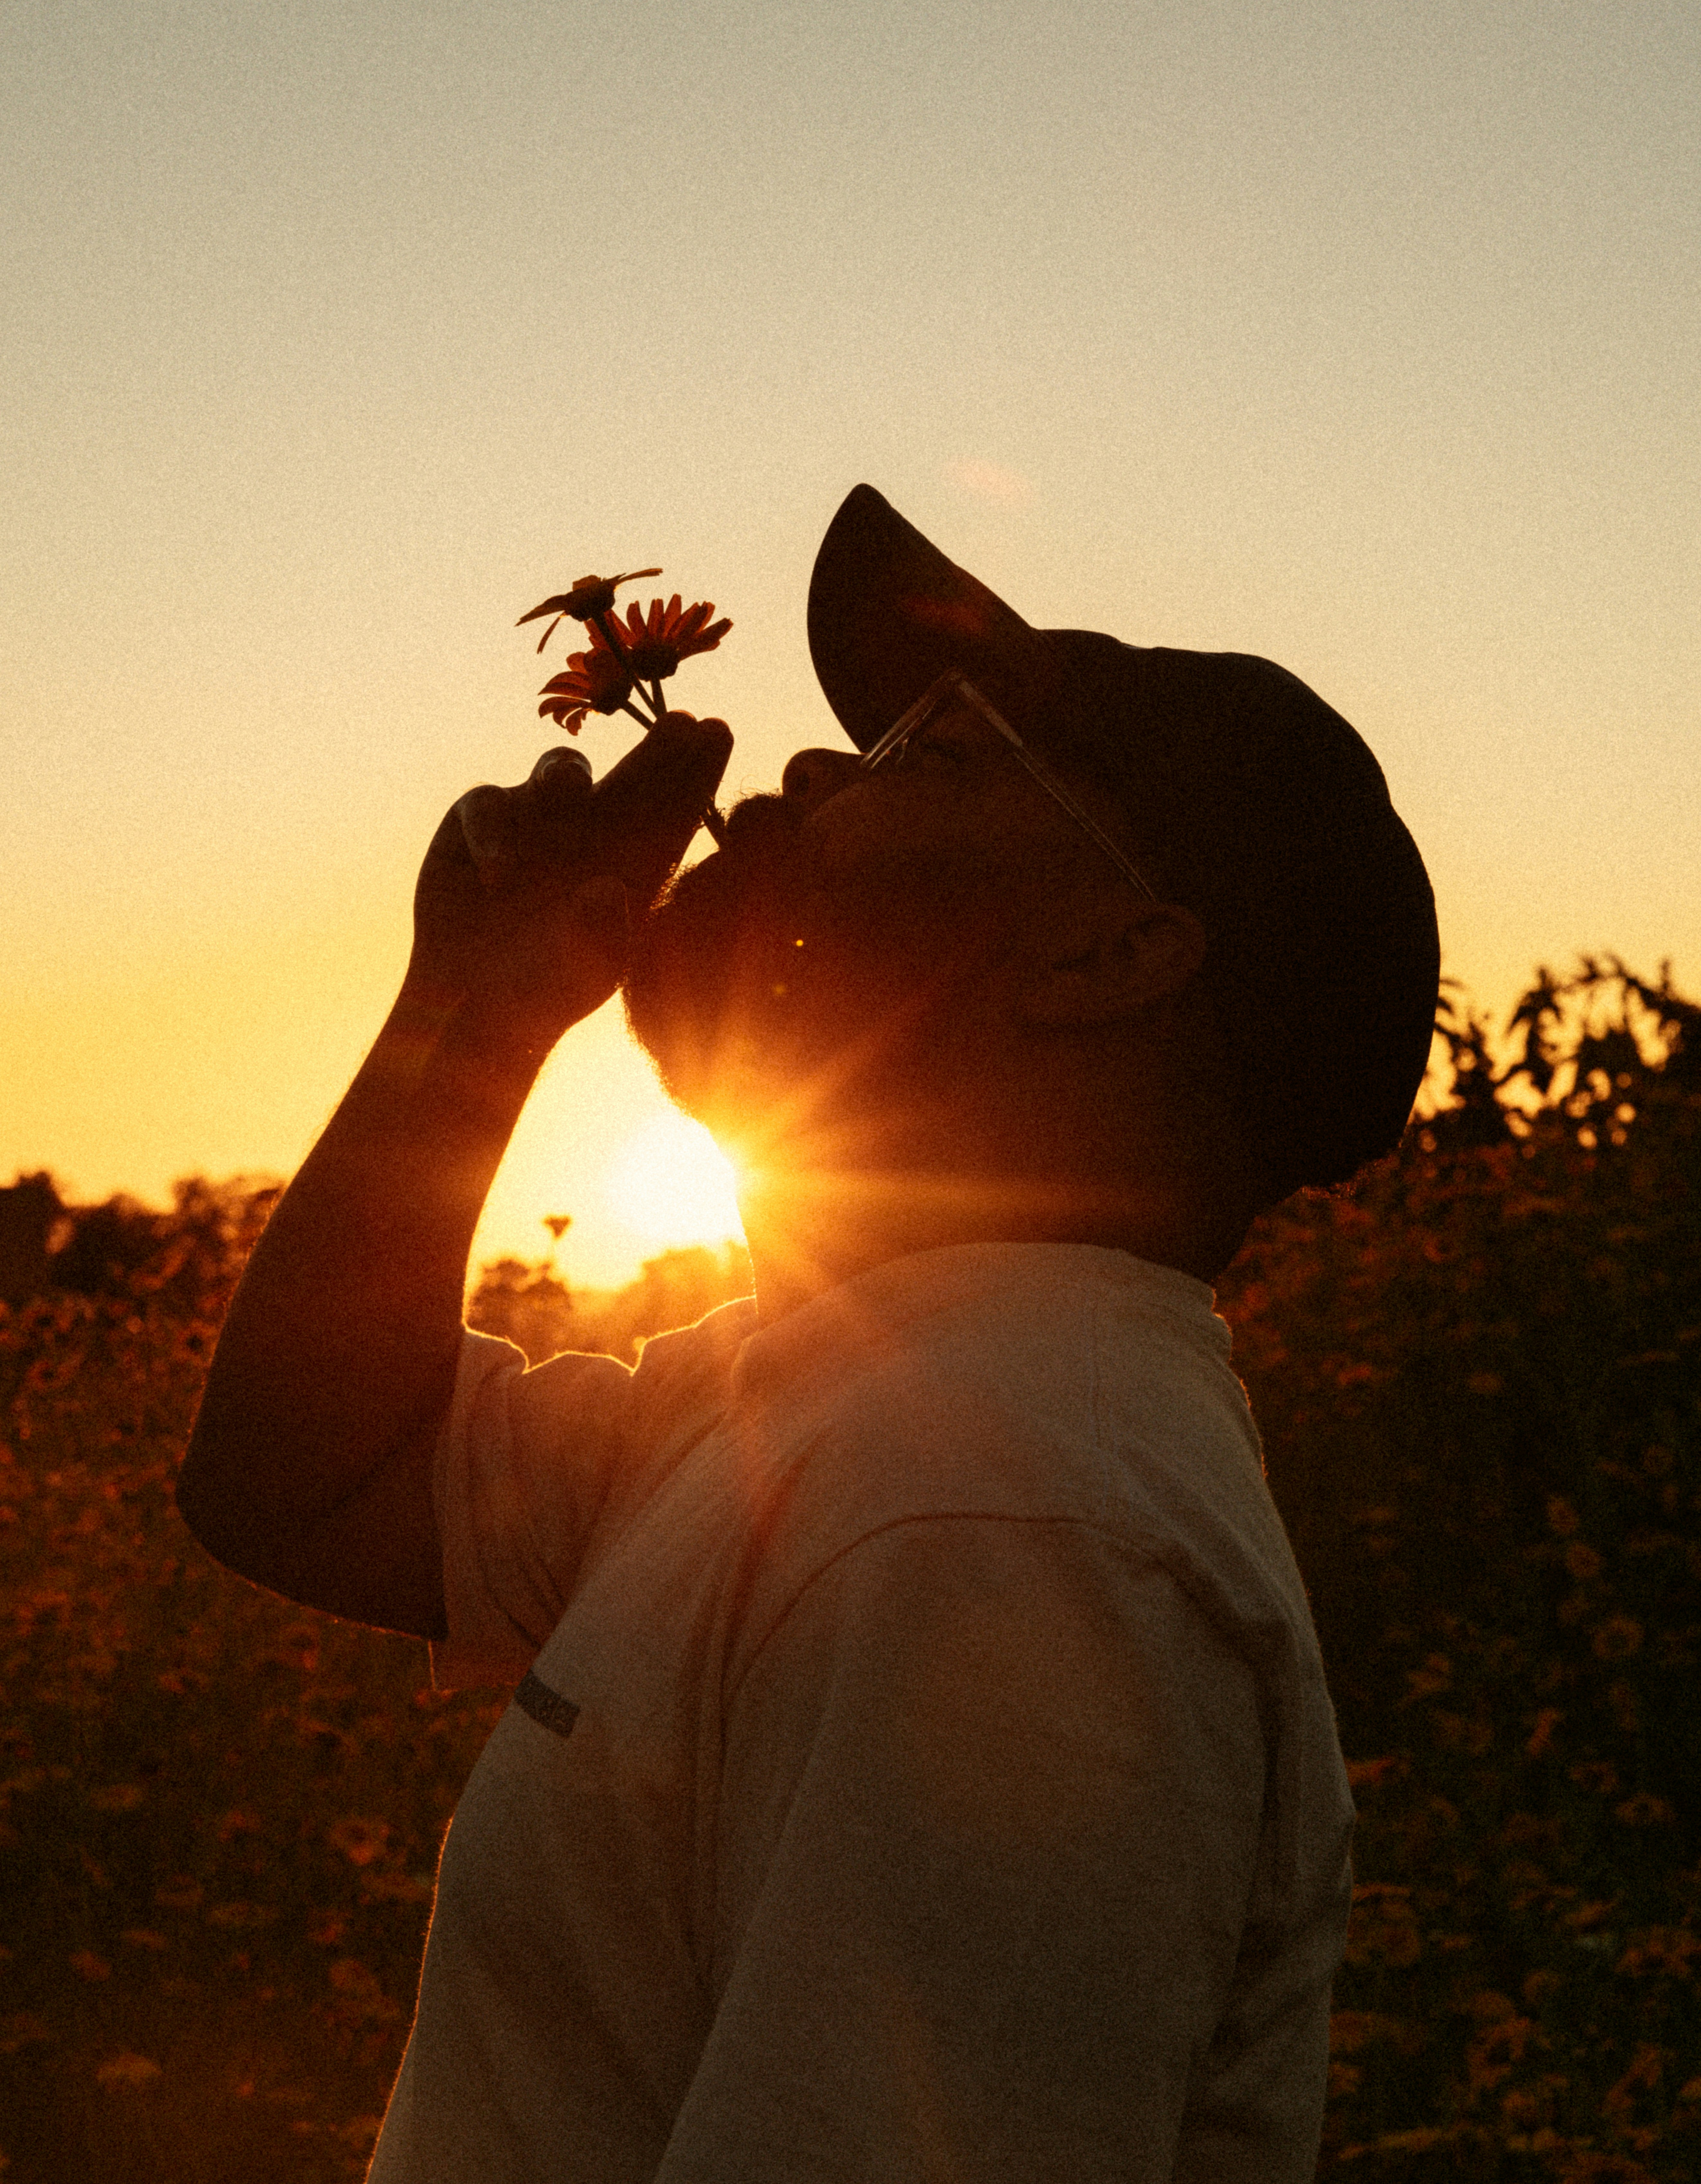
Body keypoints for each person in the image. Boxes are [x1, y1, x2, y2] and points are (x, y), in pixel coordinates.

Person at [177, 485, 1439, 2183]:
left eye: (939, 756)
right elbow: (299, 1481)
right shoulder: (837, 1400)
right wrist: (469, 1023)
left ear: (1113, 956)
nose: (809, 774)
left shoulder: (1007, 1527)